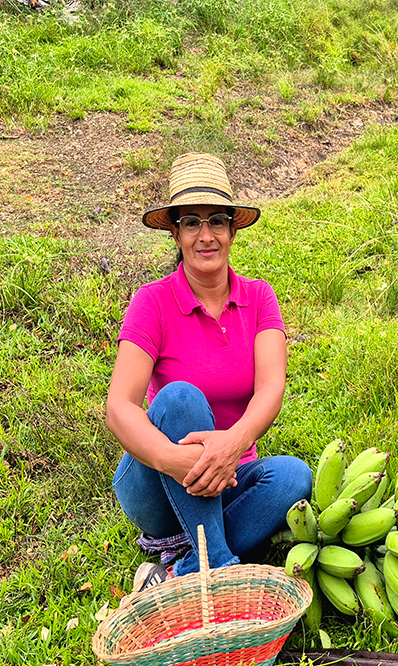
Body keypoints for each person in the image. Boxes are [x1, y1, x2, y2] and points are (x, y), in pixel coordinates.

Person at [106, 153, 312, 594]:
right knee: (180, 398)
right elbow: (120, 408)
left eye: (217, 221)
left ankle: (179, 572)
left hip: (231, 472)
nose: (206, 235)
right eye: (192, 223)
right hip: (159, 479)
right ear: (176, 234)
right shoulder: (153, 301)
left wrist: (233, 444)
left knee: (295, 477)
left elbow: (271, 387)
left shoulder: (258, 298)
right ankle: (217, 565)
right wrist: (172, 459)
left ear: (233, 231)